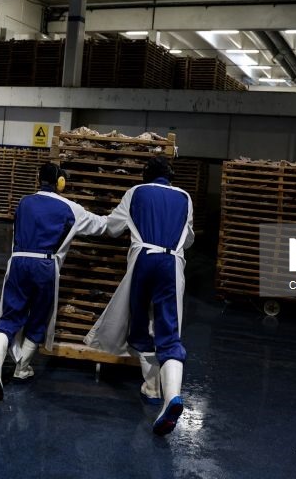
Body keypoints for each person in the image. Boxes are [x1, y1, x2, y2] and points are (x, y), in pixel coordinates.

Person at [85, 155, 194, 436]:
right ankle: (172, 397)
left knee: (140, 325)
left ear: (146, 174)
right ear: (170, 176)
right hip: (172, 264)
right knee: (168, 331)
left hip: (143, 261)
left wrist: (81, 218)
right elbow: (188, 238)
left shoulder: (136, 192)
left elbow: (112, 227)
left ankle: (152, 388)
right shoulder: (185, 197)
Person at [0, 162, 108, 401]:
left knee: (10, 317)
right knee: (39, 317)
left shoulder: (24, 202)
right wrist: (124, 219)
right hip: (44, 265)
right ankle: (22, 369)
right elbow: (101, 226)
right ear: (60, 182)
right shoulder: (69, 207)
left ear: (38, 179)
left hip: (18, 262)